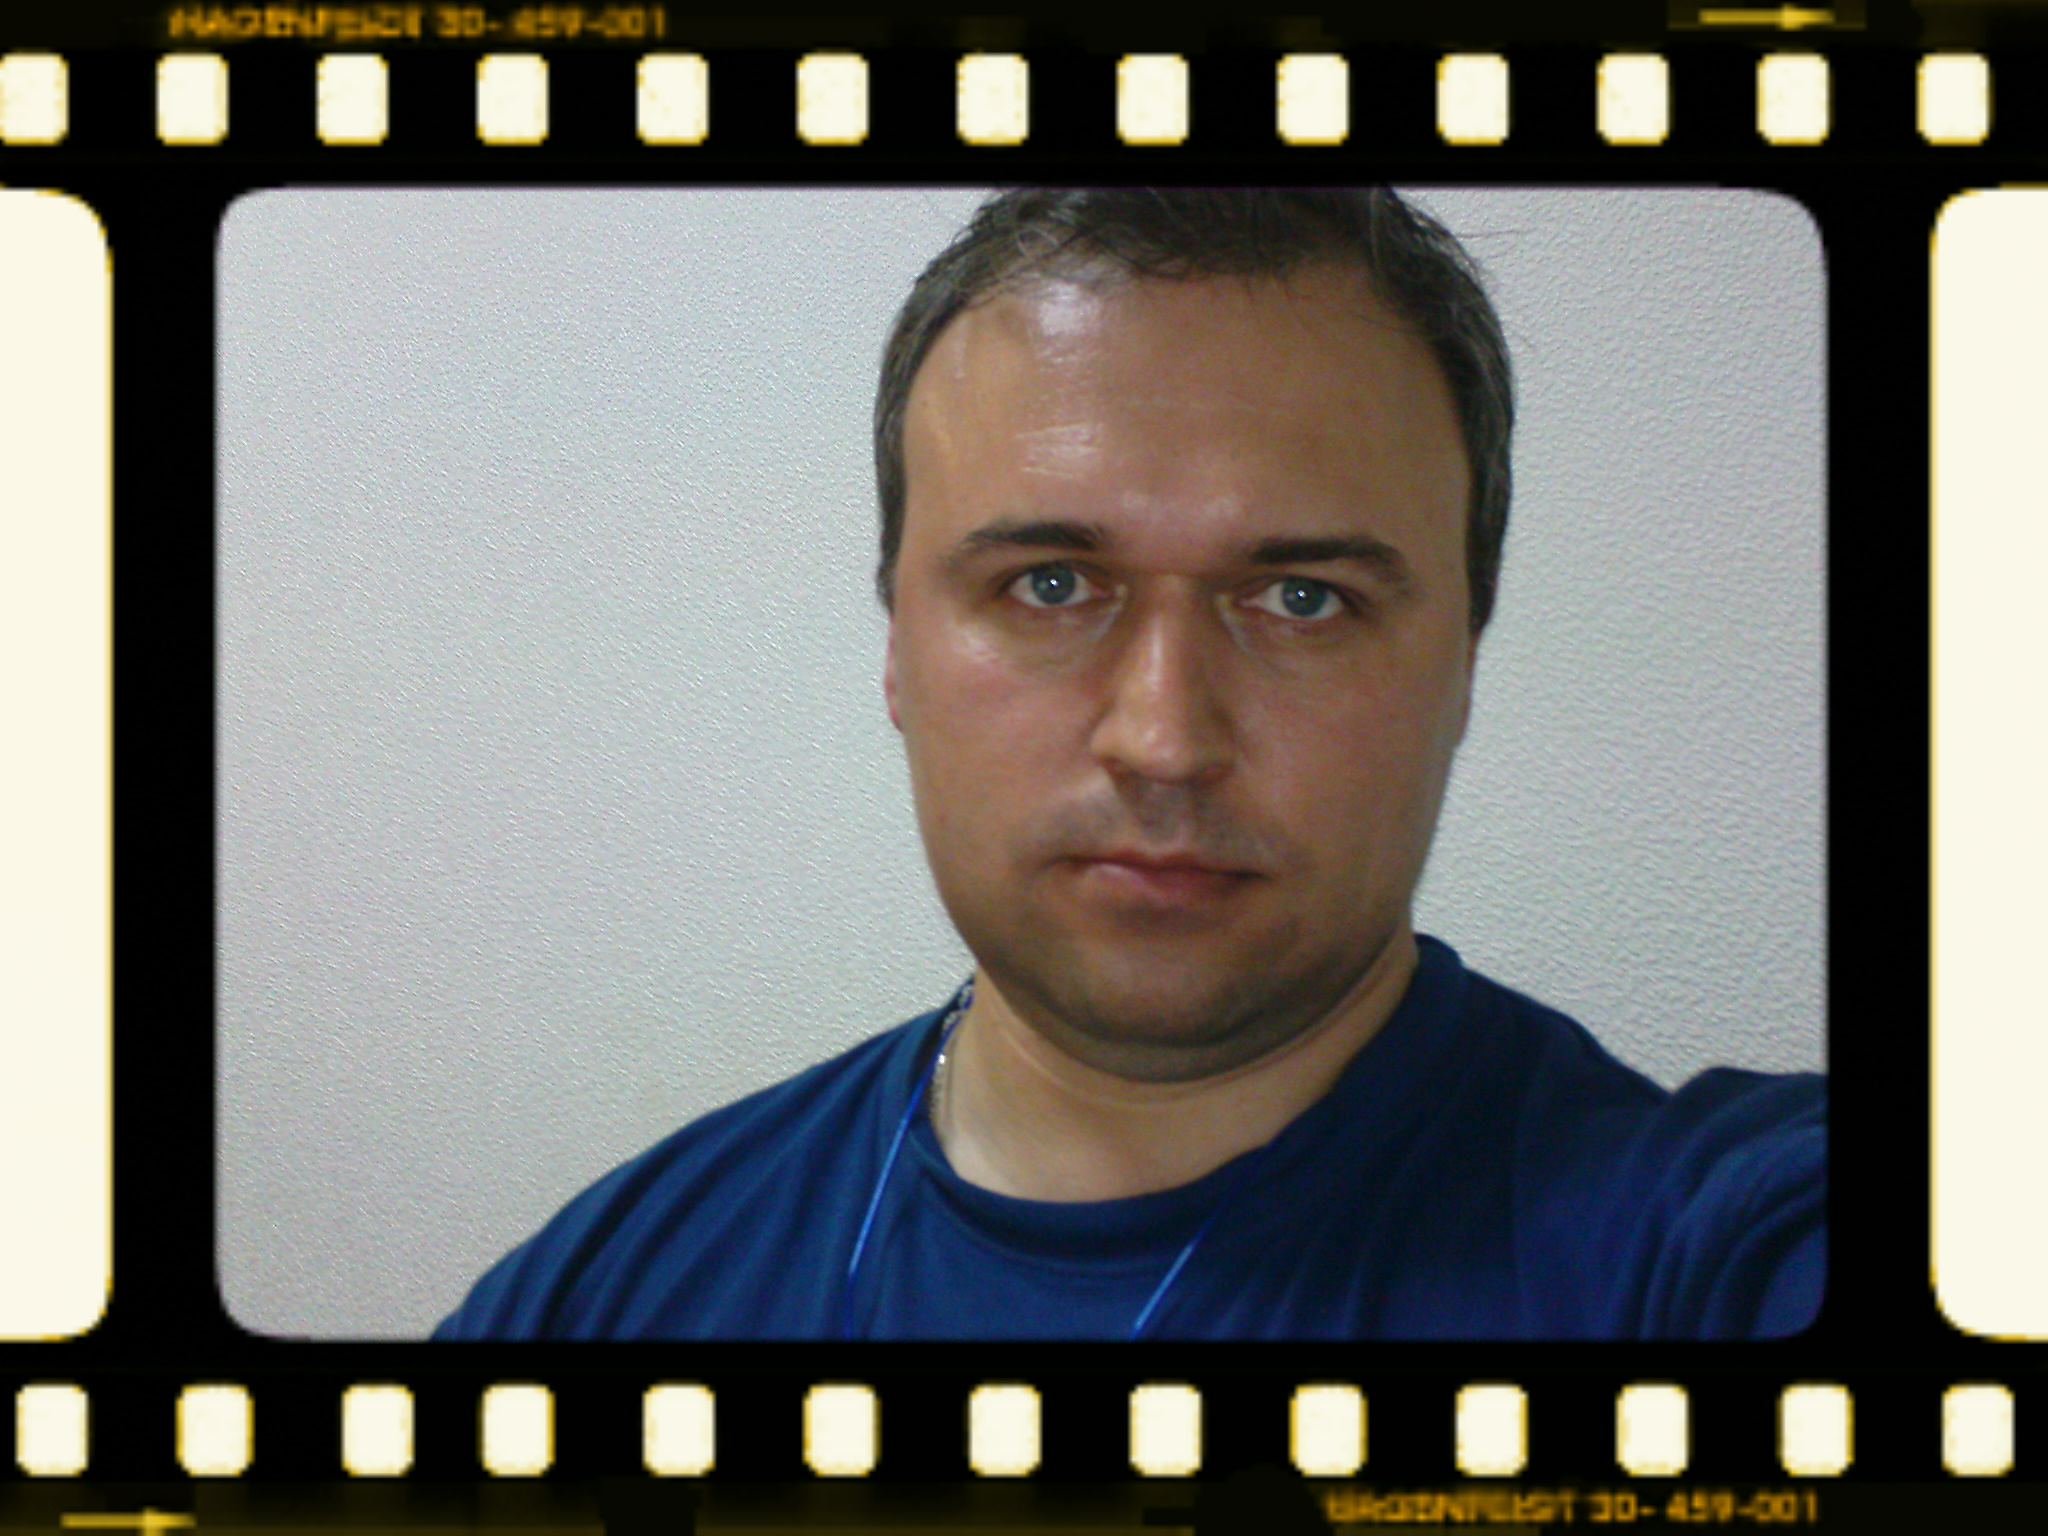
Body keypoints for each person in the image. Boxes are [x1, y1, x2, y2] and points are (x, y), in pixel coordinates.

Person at [432, 188, 1824, 1341]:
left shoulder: (1702, 1257)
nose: (1164, 740)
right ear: (897, 646)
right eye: (1049, 585)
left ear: (1465, 658)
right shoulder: (595, 1299)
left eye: (1304, 600)